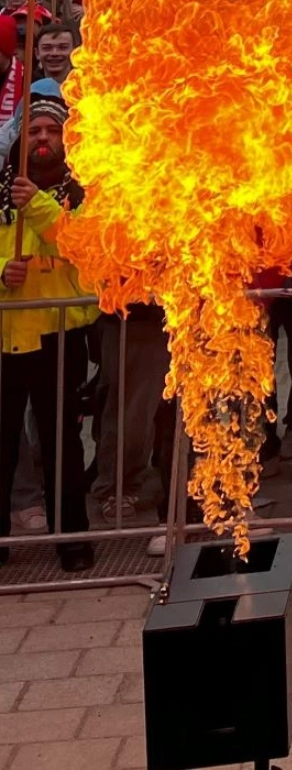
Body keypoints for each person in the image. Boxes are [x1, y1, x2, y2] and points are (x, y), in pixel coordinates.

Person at [0, 91, 95, 570]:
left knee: (62, 443)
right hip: (4, 333)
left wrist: (35, 204)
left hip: (59, 335)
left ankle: (73, 540)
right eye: (34, 130)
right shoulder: (0, 190)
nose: (42, 139)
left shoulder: (79, 192)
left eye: (51, 131)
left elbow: (80, 246)